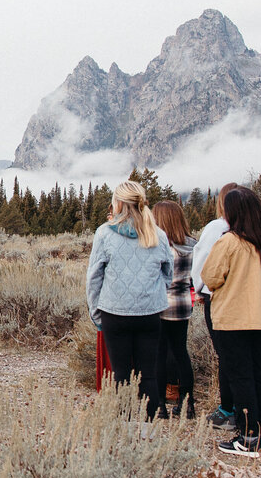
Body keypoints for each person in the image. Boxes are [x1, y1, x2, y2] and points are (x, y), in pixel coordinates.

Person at [202, 187, 261, 457]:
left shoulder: (230, 242)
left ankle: (247, 437)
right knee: (260, 375)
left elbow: (210, 277)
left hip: (235, 318)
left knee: (241, 377)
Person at [86, 180, 173, 419]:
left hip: (115, 313)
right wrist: (152, 293)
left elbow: (94, 277)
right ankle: (149, 429)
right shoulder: (158, 234)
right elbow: (168, 274)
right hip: (150, 314)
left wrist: (96, 313)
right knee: (149, 375)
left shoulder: (105, 233)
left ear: (119, 203)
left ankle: (124, 427)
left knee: (120, 374)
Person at [190, 182, 240, 430]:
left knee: (226, 354)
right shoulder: (253, 228)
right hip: (247, 299)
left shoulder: (218, 227)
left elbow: (203, 260)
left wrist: (199, 288)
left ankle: (227, 410)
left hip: (217, 295)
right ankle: (243, 411)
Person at [152, 200, 198, 418]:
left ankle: (160, 405)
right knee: (181, 353)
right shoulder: (192, 245)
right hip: (182, 305)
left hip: (159, 305)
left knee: (159, 355)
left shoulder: (157, 245)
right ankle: (188, 405)